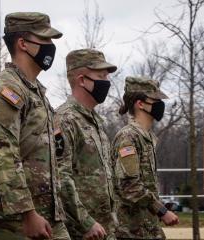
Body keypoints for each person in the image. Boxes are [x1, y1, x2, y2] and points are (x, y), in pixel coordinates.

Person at [0, 12, 70, 240]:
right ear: (23, 44)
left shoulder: (36, 93)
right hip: (6, 220)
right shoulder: (6, 90)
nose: (51, 47)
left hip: (45, 217)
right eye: (44, 40)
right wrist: (27, 214)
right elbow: (4, 155)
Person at [55, 49, 118, 240]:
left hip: (104, 228)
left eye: (107, 77)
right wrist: (86, 222)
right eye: (101, 76)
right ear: (82, 80)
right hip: (81, 232)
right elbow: (60, 177)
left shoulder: (95, 122)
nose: (107, 82)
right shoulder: (65, 120)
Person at [111, 77, 179, 239]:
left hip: (147, 227)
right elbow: (130, 186)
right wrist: (161, 211)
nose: (160, 105)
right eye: (155, 100)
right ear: (140, 104)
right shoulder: (128, 137)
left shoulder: (145, 137)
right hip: (131, 231)